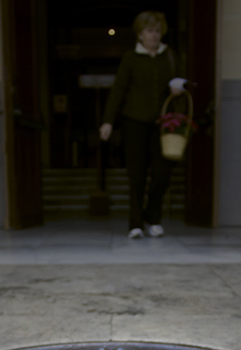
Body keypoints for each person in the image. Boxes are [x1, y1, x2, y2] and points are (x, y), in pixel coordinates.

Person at [99, 10, 187, 239]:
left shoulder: (170, 56)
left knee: (162, 175)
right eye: (149, 31)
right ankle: (135, 223)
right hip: (134, 122)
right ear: (140, 34)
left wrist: (178, 88)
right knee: (136, 175)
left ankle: (153, 218)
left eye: (157, 31)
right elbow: (118, 91)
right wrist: (108, 121)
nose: (154, 35)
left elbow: (184, 82)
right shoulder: (131, 58)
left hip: (162, 124)